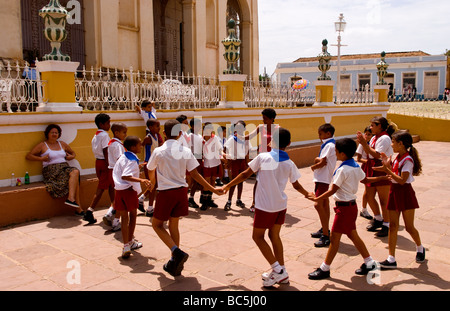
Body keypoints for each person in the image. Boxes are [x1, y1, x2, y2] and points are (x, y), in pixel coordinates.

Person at [222, 127, 313, 287]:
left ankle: (278, 270)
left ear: (271, 142)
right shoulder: (289, 163)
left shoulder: (263, 157)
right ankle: (281, 271)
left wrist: (227, 186)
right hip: (280, 205)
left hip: (265, 206)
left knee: (257, 237)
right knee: (274, 236)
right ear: (289, 143)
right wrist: (307, 194)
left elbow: (244, 174)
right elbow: (297, 185)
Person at [147, 119, 223, 277]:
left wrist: (152, 183)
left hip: (166, 192)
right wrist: (212, 189)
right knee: (174, 225)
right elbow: (195, 174)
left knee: (157, 225)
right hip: (181, 191)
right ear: (180, 134)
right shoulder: (185, 151)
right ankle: (175, 262)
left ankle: (176, 252)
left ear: (163, 133)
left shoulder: (158, 151)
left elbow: (150, 170)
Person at [307, 138, 388, 280]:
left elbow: (333, 190)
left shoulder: (343, 169)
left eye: (337, 152)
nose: (336, 154)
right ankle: (369, 262)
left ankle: (325, 268)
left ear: (343, 154)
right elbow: (366, 179)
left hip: (344, 209)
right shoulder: (356, 166)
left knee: (334, 238)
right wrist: (381, 179)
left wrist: (317, 198)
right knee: (352, 235)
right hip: (351, 207)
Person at [373, 132, 426, 268]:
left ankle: (420, 248)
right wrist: (385, 166)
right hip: (394, 192)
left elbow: (402, 180)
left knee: (409, 227)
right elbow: (394, 172)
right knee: (393, 226)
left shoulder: (407, 160)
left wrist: (387, 170)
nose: (391, 144)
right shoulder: (398, 157)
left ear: (400, 144)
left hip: (405, 193)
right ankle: (391, 258)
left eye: (393, 142)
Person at [26, 124, 83, 215]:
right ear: (47, 134)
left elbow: (73, 153)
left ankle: (71, 199)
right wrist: (41, 159)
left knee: (75, 172)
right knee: (75, 179)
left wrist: (71, 157)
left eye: (56, 133)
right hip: (51, 171)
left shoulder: (62, 144)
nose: (54, 134)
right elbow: (29, 156)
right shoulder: (43, 145)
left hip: (64, 168)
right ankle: (78, 208)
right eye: (52, 132)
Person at [356, 116, 395, 237]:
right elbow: (369, 152)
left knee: (383, 200)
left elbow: (377, 155)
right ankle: (378, 218)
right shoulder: (374, 137)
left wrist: (364, 143)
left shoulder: (384, 138)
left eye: (373, 125)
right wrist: (364, 145)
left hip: (381, 167)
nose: (371, 127)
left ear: (380, 126)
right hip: (371, 165)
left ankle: (387, 224)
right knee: (369, 195)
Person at [113, 136, 151, 259]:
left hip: (119, 191)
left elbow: (124, 171)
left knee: (124, 218)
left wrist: (138, 167)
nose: (141, 146)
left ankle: (126, 245)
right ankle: (130, 241)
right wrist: (142, 179)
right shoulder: (132, 159)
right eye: (139, 144)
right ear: (133, 147)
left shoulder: (124, 156)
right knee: (133, 215)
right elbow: (126, 176)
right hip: (129, 191)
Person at [240, 108, 278, 212]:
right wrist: (240, 137)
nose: (263, 121)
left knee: (272, 182)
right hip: (262, 158)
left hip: (273, 159)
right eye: (263, 118)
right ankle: (254, 203)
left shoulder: (278, 129)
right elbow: (249, 136)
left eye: (265, 119)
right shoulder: (261, 127)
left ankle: (270, 203)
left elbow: (282, 144)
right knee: (259, 181)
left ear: (272, 119)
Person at [309, 123, 337, 248]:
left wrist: (314, 166)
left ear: (328, 134)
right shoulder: (329, 145)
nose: (319, 136)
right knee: (324, 204)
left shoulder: (329, 145)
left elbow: (322, 161)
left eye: (321, 134)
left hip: (323, 177)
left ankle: (325, 235)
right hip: (323, 177)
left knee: (318, 204)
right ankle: (324, 228)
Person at [85, 113, 114, 224]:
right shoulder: (104, 135)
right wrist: (109, 164)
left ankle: (113, 206)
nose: (109, 125)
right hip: (105, 163)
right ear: (101, 124)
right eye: (108, 123)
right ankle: (90, 210)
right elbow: (106, 151)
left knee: (111, 185)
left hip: (98, 162)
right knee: (101, 188)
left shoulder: (95, 136)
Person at [103, 122, 128, 231]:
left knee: (118, 197)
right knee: (121, 198)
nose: (125, 135)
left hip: (112, 171)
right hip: (118, 172)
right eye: (123, 132)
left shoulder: (111, 143)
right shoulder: (117, 145)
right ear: (116, 132)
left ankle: (111, 214)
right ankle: (114, 219)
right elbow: (120, 160)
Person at [223, 121, 251, 211]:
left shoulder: (246, 139)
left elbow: (248, 151)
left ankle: (238, 199)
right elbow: (225, 148)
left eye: (241, 127)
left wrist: (247, 163)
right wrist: (227, 160)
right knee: (234, 181)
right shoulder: (232, 138)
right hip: (234, 161)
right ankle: (229, 200)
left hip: (242, 161)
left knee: (241, 181)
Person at [140, 119, 164, 217]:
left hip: (155, 164)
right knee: (153, 186)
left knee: (155, 185)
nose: (159, 128)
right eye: (157, 126)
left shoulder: (157, 136)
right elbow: (140, 147)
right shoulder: (148, 138)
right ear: (150, 127)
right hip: (149, 164)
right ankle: (150, 208)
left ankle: (141, 199)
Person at [200, 122, 223, 211]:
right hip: (206, 163)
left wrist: (223, 154)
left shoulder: (215, 138)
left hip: (215, 162)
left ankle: (209, 199)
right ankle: (204, 202)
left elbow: (220, 148)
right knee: (207, 181)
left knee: (213, 180)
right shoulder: (201, 140)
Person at [355, 126, 373, 220]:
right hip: (367, 167)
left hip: (374, 167)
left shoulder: (374, 143)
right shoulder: (362, 144)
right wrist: (368, 162)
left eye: (369, 134)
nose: (367, 136)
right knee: (367, 189)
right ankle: (364, 209)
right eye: (366, 134)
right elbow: (358, 159)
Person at [187, 117, 204, 209]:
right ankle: (189, 198)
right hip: (193, 158)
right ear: (193, 126)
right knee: (193, 180)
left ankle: (196, 197)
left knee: (199, 180)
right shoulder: (190, 136)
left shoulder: (199, 136)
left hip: (199, 159)